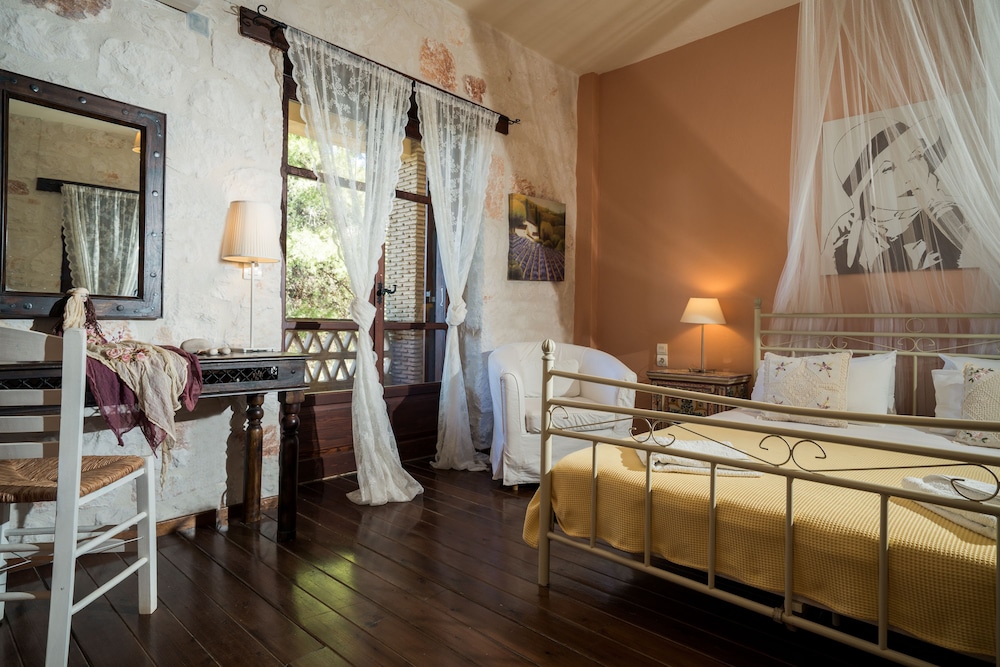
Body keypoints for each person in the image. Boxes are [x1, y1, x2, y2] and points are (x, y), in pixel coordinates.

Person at [824, 115, 968, 274]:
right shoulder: (846, 243)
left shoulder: (957, 222)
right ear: (864, 189)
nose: (909, 176)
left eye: (917, 157)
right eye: (888, 169)